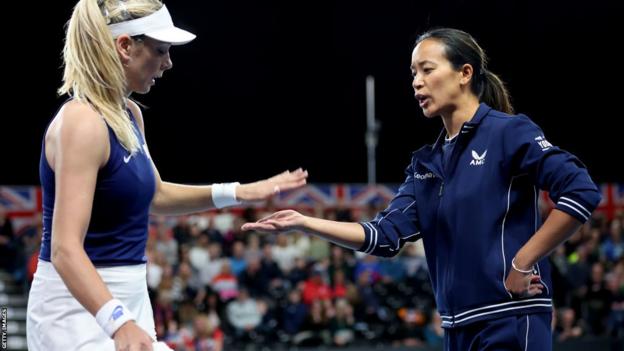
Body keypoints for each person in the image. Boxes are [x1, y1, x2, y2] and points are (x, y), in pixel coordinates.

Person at [243, 27, 602, 350]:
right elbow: (382, 236)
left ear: (465, 73)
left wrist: (524, 263)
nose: (416, 82)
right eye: (413, 73)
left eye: (427, 69)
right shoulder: (425, 164)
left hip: (510, 320)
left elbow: (580, 191)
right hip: (456, 330)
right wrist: (304, 222)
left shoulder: (509, 132)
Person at [26, 1, 308, 350]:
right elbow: (65, 249)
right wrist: (118, 322)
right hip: (75, 310)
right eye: (161, 50)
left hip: (125, 301)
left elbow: (155, 196)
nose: (168, 63)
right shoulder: (82, 123)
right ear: (125, 47)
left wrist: (238, 191)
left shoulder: (128, 114)